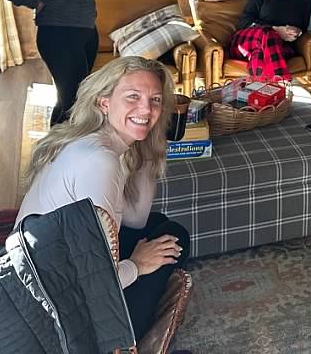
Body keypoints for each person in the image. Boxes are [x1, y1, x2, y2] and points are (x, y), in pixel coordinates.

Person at [17, 56, 191, 339]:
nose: (147, 109)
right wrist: (137, 265)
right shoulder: (100, 161)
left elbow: (136, 220)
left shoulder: (89, 140)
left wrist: (150, 145)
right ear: (104, 102)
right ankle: (127, 340)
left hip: (45, 274)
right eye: (133, 96)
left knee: (158, 225)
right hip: (59, 314)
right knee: (175, 237)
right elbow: (91, 283)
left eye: (155, 100)